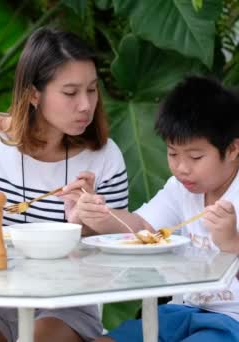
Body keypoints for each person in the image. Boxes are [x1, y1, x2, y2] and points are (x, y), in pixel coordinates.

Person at [0, 27, 129, 342]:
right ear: (33, 94)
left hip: (63, 304)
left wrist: (92, 220)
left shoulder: (103, 158)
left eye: (92, 90)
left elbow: (119, 253)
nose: (86, 105)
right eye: (70, 93)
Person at [77, 76, 239, 342]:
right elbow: (141, 227)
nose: (181, 167)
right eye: (173, 154)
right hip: (180, 312)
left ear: (232, 149)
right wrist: (98, 214)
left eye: (195, 157)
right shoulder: (180, 187)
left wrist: (232, 243)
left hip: (231, 321)